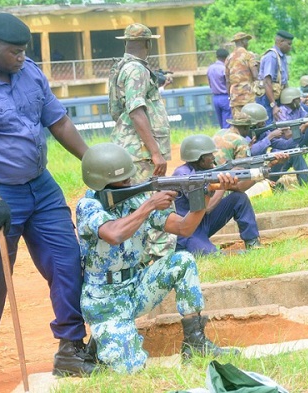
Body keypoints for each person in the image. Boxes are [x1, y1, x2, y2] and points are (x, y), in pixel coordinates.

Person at [0, 13, 99, 392]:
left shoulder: (30, 73)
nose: (22, 58)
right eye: (15, 52)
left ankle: (71, 348)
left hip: (40, 187)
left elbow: (58, 123)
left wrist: (95, 165)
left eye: (25, 51)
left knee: (67, 262)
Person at [77, 142, 237, 374]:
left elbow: (184, 228)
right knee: (131, 370)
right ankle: (102, 339)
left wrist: (202, 196)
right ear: (102, 183)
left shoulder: (133, 200)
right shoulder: (88, 206)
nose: (131, 184)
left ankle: (195, 343)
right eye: (124, 182)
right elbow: (114, 234)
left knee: (181, 261)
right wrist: (149, 205)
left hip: (136, 286)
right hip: (106, 302)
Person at [109, 22, 176, 262]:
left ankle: (147, 259)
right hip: (140, 153)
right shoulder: (136, 70)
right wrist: (155, 152)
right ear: (148, 44)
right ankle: (159, 264)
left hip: (133, 150)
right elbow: (136, 110)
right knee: (154, 205)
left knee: (143, 206)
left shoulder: (124, 67)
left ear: (127, 42)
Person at [173, 134, 261, 254]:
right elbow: (207, 207)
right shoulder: (183, 175)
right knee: (214, 256)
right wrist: (222, 186)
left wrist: (261, 172)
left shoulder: (206, 171)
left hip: (203, 223)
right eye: (210, 155)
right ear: (199, 158)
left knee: (238, 198)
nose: (213, 158)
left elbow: (239, 188)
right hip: (187, 231)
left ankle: (253, 243)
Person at [242, 102, 308, 187]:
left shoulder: (263, 133)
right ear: (253, 124)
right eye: (262, 123)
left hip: (265, 171)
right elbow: (253, 152)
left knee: (295, 153)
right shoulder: (243, 137)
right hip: (250, 179)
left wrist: (301, 130)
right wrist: (271, 136)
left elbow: (286, 145)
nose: (265, 124)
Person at [256, 30, 294, 124]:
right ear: (281, 42)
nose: (290, 47)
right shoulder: (271, 56)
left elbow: (283, 81)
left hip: (277, 97)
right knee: (268, 125)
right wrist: (273, 105)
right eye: (288, 44)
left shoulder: (282, 57)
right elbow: (267, 82)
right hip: (267, 98)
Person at [225, 32, 259, 117]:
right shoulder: (249, 55)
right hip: (248, 96)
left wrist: (230, 96)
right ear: (242, 41)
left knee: (238, 123)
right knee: (252, 121)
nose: (247, 43)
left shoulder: (229, 57)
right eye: (246, 40)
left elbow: (227, 81)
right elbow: (255, 75)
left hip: (235, 97)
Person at [207, 48, 232, 128]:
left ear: (217, 57)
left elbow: (210, 83)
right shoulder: (224, 68)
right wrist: (230, 96)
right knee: (227, 123)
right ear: (226, 58)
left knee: (221, 123)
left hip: (215, 98)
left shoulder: (210, 68)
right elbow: (227, 81)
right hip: (225, 97)